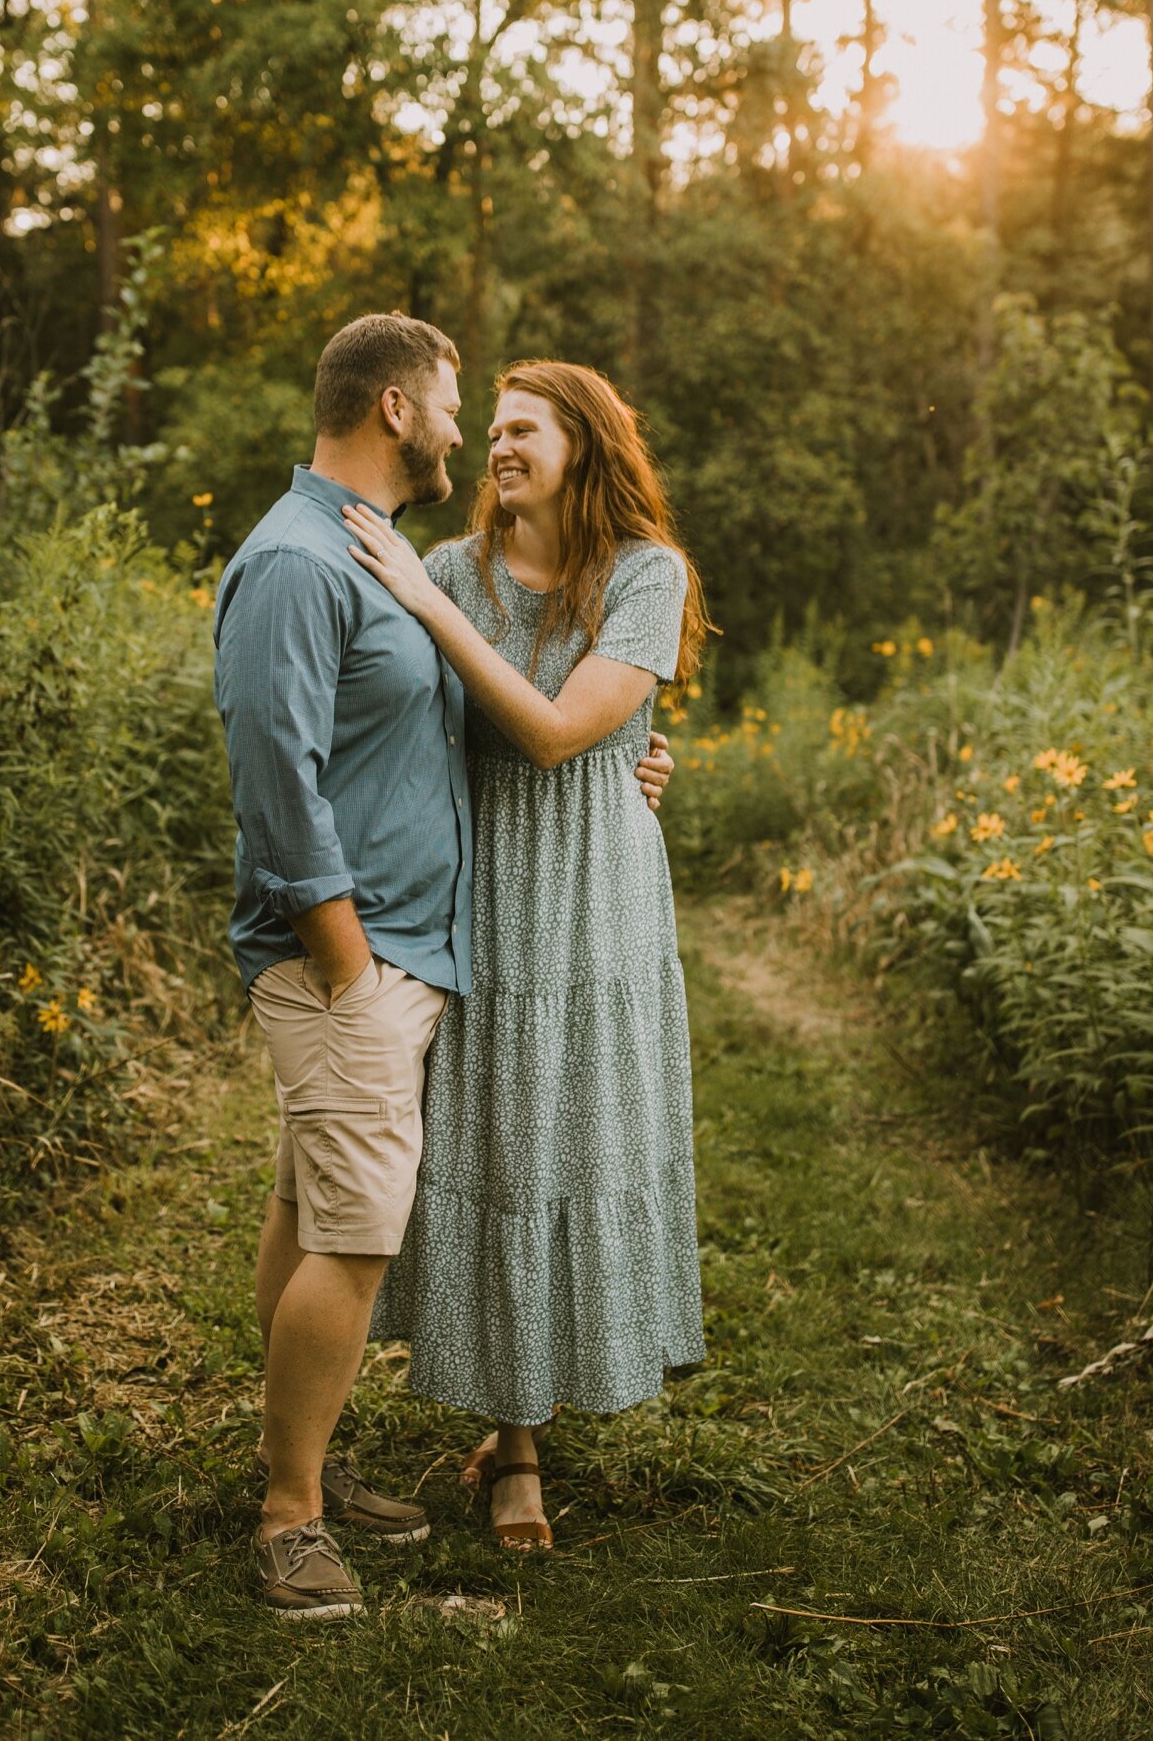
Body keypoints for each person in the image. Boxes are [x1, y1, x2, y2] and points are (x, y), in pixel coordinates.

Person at [212, 317, 672, 1617]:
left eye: (517, 421)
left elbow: (494, 720)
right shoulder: (330, 560)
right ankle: (290, 1510)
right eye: (469, 410)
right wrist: (347, 960)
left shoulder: (394, 559)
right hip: (370, 948)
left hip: (439, 933)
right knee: (358, 1223)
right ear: (402, 408)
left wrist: (633, 750)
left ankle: (302, 1457)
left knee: (313, 1201)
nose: (476, 435)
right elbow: (279, 778)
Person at [348, 359, 709, 1551]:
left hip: (600, 895)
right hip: (485, 887)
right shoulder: (451, 568)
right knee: (499, 1140)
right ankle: (516, 1446)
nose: (498, 446)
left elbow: (559, 732)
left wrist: (634, 759)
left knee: (581, 1133)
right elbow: (412, 727)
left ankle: (562, 1378)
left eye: (522, 429)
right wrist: (422, 589)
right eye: (491, 428)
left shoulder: (646, 575)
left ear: (584, 444)